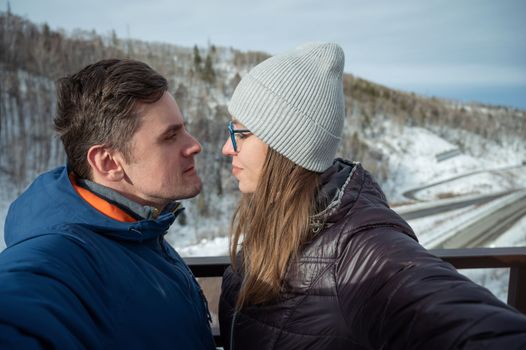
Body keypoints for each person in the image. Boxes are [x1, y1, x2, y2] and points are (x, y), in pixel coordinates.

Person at [218, 43, 526, 349]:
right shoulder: (272, 221)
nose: (227, 148)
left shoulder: (361, 248)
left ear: (286, 146)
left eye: (241, 134)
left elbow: (468, 325)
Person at [0, 59, 215, 349]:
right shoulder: (60, 257)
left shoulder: (137, 230)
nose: (194, 145)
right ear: (108, 162)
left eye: (184, 129)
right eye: (170, 136)